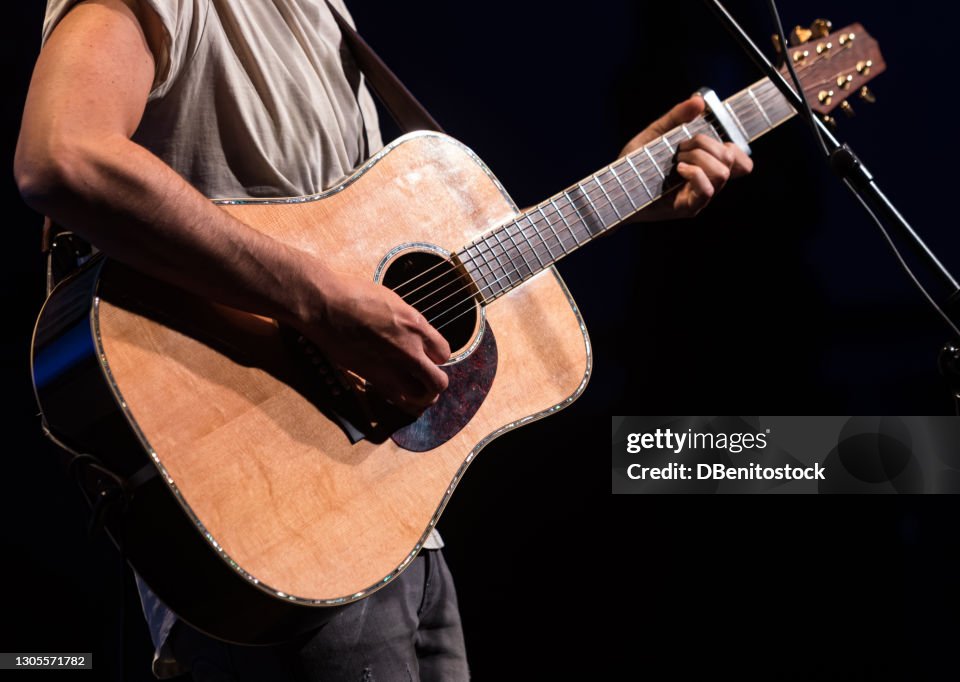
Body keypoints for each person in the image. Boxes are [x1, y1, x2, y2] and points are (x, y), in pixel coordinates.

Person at [14, 0, 753, 679]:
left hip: (389, 526)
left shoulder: (323, 14)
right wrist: (320, 302)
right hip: (270, 513)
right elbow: (64, 156)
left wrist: (624, 190)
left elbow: (391, 270)